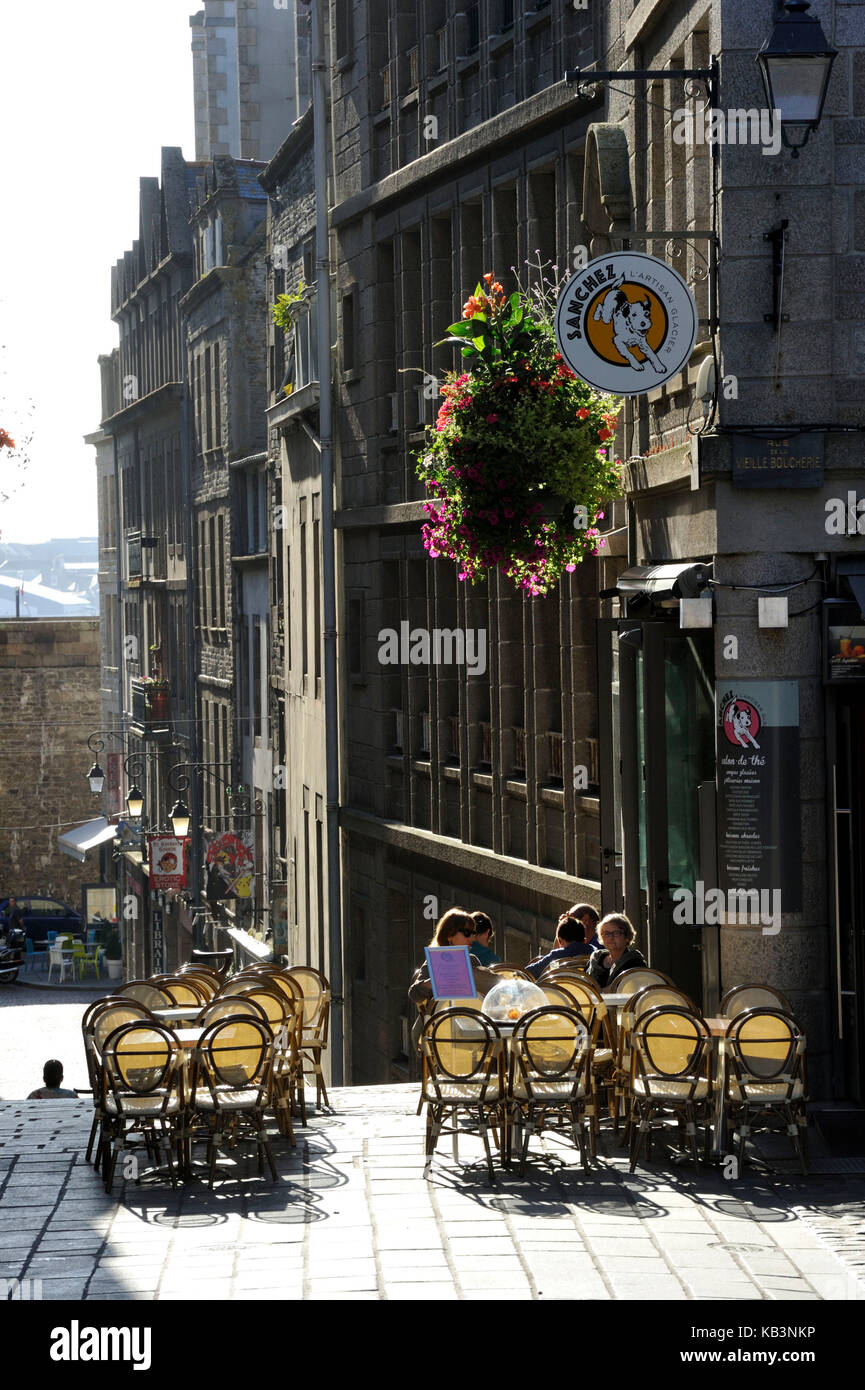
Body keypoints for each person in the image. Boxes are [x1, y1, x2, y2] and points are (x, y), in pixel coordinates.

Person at [408, 908, 500, 1006]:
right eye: (467, 933)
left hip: (470, 1016)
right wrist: (437, 981)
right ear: (449, 935)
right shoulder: (434, 961)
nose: (472, 938)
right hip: (442, 1018)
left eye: (473, 933)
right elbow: (414, 993)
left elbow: (490, 990)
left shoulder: (471, 959)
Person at [524, 903, 599, 979]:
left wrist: (563, 925)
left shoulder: (558, 956)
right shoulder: (595, 952)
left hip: (563, 988)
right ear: (585, 940)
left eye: (572, 917)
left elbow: (530, 972)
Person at [586, 913, 646, 991]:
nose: (611, 938)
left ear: (627, 937)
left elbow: (625, 989)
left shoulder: (635, 963)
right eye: (606, 934)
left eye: (616, 933)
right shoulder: (596, 959)